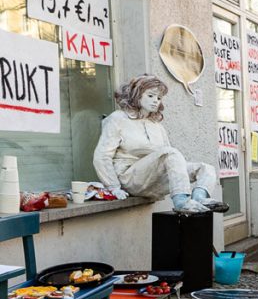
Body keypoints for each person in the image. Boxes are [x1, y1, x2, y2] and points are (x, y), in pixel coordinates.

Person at [93, 75, 228, 214]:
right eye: (150, 96)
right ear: (137, 95)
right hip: (129, 178)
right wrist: (113, 186)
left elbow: (171, 161)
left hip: (152, 179)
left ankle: (200, 198)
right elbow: (102, 156)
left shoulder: (156, 125)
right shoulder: (118, 119)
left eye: (158, 98)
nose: (155, 101)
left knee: (206, 168)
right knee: (170, 153)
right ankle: (181, 201)